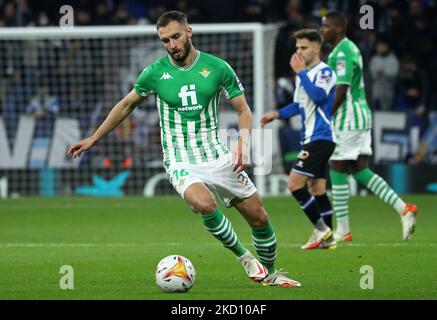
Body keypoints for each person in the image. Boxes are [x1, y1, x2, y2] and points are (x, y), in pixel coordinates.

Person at [67, 11, 300, 287]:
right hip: (180, 160)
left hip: (217, 155)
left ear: (188, 32)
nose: (172, 45)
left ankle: (272, 272)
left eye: (175, 37)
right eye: (165, 40)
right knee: (204, 203)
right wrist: (93, 139)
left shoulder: (218, 67)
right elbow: (126, 105)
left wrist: (243, 141)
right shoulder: (154, 73)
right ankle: (245, 257)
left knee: (259, 216)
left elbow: (243, 109)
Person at [320, 11, 418, 242]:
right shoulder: (348, 48)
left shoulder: (342, 52)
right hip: (360, 114)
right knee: (358, 169)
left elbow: (341, 89)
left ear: (339, 28)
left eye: (326, 26)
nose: (323, 30)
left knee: (337, 166)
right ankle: (404, 209)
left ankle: (343, 230)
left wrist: (325, 116)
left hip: (349, 117)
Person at [260, 29, 337, 250]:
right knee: (317, 188)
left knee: (294, 184)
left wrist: (301, 73)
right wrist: (276, 114)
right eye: (297, 48)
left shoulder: (325, 72)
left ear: (316, 48)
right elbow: (299, 105)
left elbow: (319, 96)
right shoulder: (303, 76)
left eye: (303, 47)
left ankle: (321, 229)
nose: (299, 52)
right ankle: (329, 239)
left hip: (320, 137)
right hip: (312, 138)